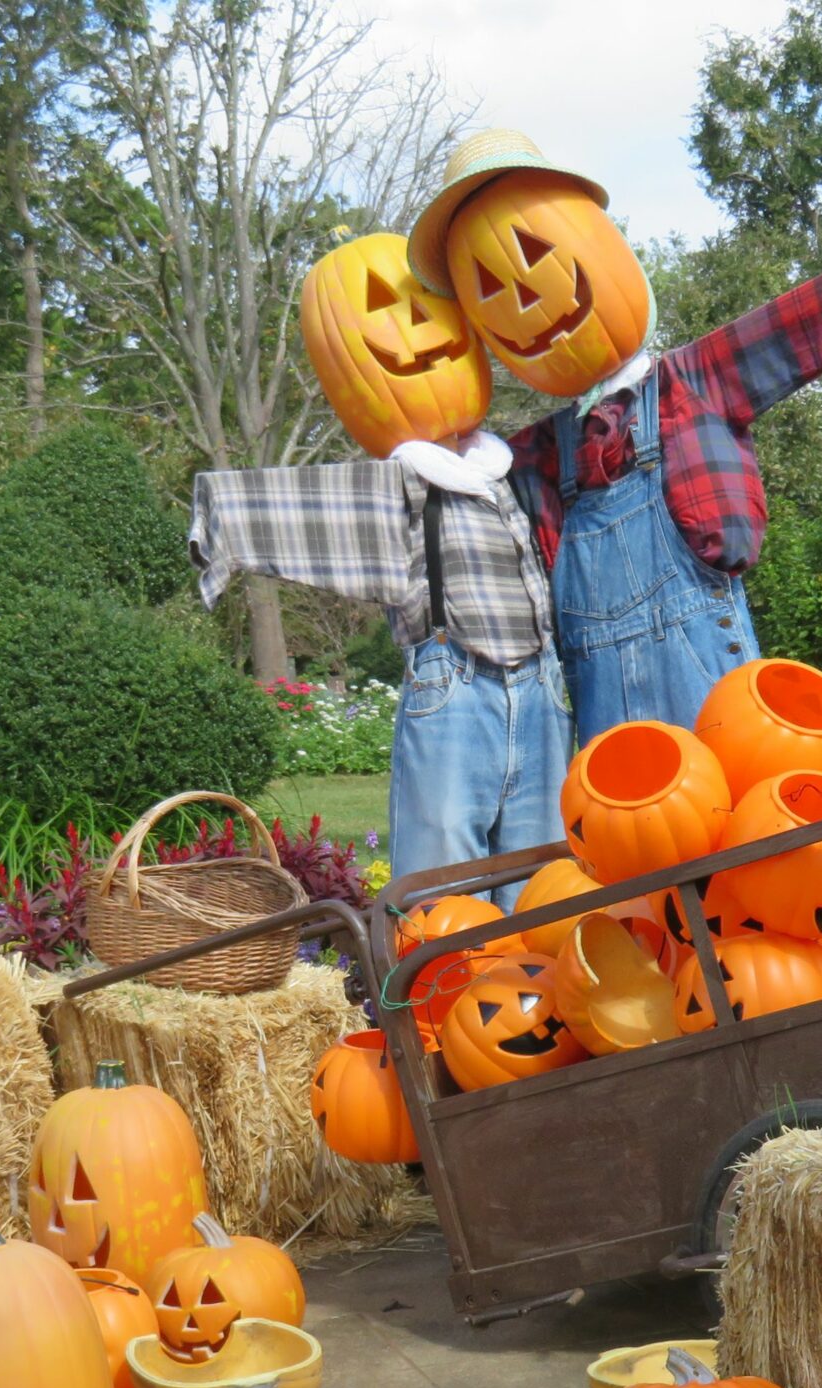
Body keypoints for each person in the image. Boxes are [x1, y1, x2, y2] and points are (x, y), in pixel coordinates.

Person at [408, 130, 822, 742]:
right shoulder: (537, 458)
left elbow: (779, 330)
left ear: (594, 242)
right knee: (628, 835)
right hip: (608, 736)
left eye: (536, 251)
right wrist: (431, 433)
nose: (522, 299)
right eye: (486, 289)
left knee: (740, 831)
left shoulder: (692, 384)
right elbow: (466, 489)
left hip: (717, 700)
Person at [187, 231, 569, 894]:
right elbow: (305, 507)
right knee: (443, 884)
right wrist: (220, 520)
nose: (417, 328)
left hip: (539, 696)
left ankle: (536, 998)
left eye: (431, 308)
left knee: (543, 879)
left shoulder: (510, 474)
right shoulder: (402, 489)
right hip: (457, 693)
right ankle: (446, 995)